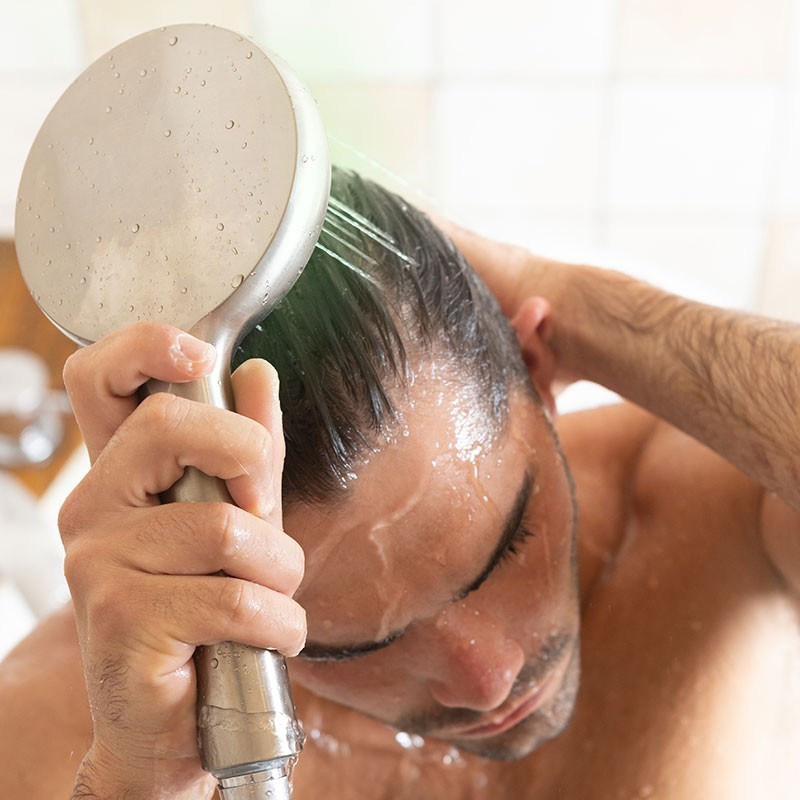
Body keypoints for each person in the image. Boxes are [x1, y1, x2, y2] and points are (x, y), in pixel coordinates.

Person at [1, 167, 798, 799]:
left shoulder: (713, 492)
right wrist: (144, 783)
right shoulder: (70, 737)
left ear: (535, 367)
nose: (488, 682)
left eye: (507, 544)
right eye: (359, 647)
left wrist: (582, 308)